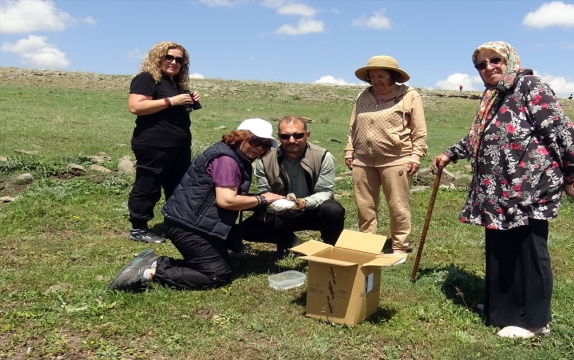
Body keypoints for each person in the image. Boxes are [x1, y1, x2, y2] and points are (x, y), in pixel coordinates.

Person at [432, 41, 574, 339]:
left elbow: (564, 133)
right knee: (501, 248)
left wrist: (569, 174)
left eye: (495, 60)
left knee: (527, 249)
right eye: (481, 64)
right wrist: (451, 152)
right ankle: (502, 310)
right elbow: (480, 136)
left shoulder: (529, 85)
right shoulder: (492, 96)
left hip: (529, 187)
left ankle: (534, 321)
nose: (488, 68)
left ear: (510, 59)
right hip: (497, 189)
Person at [107, 119, 285, 291]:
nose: (259, 148)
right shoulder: (227, 160)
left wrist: (266, 199)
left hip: (190, 221)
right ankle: (146, 273)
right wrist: (262, 199)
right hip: (190, 226)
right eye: (255, 141)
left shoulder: (231, 154)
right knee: (217, 274)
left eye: (265, 145)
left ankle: (154, 261)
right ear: (240, 136)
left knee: (216, 264)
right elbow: (227, 200)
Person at [344, 55, 427, 255]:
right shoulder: (362, 96)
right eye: (372, 76)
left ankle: (399, 246)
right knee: (364, 206)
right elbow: (353, 126)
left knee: (398, 206)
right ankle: (368, 244)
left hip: (396, 159)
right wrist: (349, 150)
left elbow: (419, 130)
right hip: (363, 160)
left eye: (381, 75)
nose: (376, 80)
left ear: (393, 77)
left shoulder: (409, 95)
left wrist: (416, 156)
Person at [126, 41, 201, 243]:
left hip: (178, 143)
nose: (174, 62)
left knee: (177, 186)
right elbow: (136, 106)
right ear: (157, 57)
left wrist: (188, 99)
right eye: (169, 57)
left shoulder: (175, 83)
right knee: (148, 185)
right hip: (154, 143)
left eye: (179, 59)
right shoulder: (146, 78)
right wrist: (172, 101)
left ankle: (175, 225)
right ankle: (138, 228)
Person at [241, 116, 346, 259]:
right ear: (278, 137)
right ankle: (291, 241)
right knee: (247, 229)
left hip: (313, 211)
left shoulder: (323, 156)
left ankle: (331, 250)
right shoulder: (265, 159)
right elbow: (265, 191)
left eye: (298, 135)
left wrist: (301, 203)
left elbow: (325, 192)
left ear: (307, 135)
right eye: (285, 136)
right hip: (282, 213)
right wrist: (277, 205)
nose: (291, 140)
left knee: (333, 209)